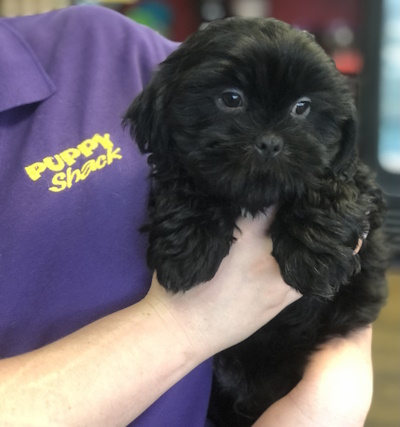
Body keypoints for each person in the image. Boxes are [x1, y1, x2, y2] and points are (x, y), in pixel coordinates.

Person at [0, 5, 373, 426]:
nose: (270, 139)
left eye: (301, 110)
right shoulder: (163, 99)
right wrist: (183, 324)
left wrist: (339, 375)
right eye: (233, 102)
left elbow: (352, 219)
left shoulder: (103, 42)